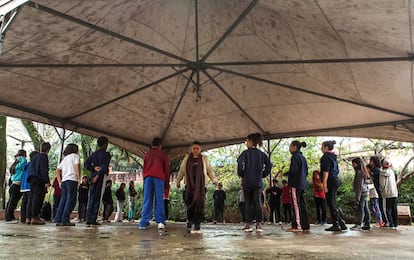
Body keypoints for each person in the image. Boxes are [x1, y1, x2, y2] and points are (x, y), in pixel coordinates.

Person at [177, 141, 218, 233]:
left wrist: (215, 181)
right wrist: (178, 181)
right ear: (192, 149)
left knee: (199, 204)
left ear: (200, 149)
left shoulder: (204, 159)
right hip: (189, 186)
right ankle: (190, 220)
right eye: (194, 148)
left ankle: (197, 222)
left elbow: (210, 171)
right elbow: (182, 170)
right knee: (190, 203)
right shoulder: (187, 158)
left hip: (201, 187)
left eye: (197, 148)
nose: (195, 150)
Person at [237, 133, 271, 233]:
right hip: (257, 182)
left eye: (247, 141)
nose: (246, 143)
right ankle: (259, 224)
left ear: (251, 142)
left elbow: (239, 164)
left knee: (248, 203)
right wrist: (263, 174)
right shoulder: (261, 154)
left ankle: (248, 224)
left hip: (247, 182)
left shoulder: (245, 153)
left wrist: (241, 174)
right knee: (258, 203)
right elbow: (269, 165)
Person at [139, 138, 170, 230]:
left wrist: (145, 178)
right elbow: (167, 170)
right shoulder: (162, 154)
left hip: (148, 177)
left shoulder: (147, 155)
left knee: (147, 199)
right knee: (159, 199)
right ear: (160, 145)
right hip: (159, 177)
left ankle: (143, 222)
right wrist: (166, 184)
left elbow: (144, 168)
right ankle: (160, 221)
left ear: (151, 145)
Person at [84, 136, 111, 227]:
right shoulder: (106, 155)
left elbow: (86, 164)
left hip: (92, 177)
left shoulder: (94, 154)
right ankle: (93, 218)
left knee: (91, 197)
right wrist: (98, 175)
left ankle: (88, 219)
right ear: (105, 144)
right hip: (100, 178)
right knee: (97, 198)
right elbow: (104, 167)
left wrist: (93, 168)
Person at [321, 140, 347, 232]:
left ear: (326, 147)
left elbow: (326, 170)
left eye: (322, 146)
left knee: (331, 203)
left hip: (330, 181)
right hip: (335, 180)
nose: (321, 148)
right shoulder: (334, 157)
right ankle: (341, 223)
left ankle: (336, 224)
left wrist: (324, 183)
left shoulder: (326, 157)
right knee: (333, 202)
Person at [54, 143, 81, 226]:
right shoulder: (75, 156)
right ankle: (65, 219)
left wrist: (59, 181)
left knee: (63, 200)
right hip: (72, 180)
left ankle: (58, 219)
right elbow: (77, 166)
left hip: (64, 180)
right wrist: (79, 178)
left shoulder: (65, 158)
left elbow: (58, 170)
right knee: (71, 200)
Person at [287, 141, 310, 232]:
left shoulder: (295, 157)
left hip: (295, 184)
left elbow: (293, 171)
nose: (289, 149)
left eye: (290, 147)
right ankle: (305, 225)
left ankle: (297, 225)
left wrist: (286, 174)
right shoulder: (303, 158)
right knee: (302, 204)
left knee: (295, 205)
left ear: (295, 147)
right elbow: (306, 172)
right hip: (302, 184)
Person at [28, 142, 51, 225]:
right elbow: (44, 170)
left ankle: (29, 217)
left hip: (32, 178)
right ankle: (34, 217)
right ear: (48, 149)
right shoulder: (44, 157)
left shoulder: (35, 156)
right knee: (37, 198)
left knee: (31, 198)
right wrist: (47, 181)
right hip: (39, 180)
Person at [5, 149, 27, 223]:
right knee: (12, 202)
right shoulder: (20, 165)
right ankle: (9, 217)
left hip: (15, 186)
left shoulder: (16, 165)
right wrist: (21, 157)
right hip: (16, 186)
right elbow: (24, 162)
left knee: (12, 202)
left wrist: (18, 158)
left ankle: (10, 216)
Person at [350, 157, 370, 231]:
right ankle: (367, 223)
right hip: (365, 192)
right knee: (365, 208)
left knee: (361, 208)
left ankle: (359, 224)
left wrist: (357, 198)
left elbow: (359, 186)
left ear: (357, 164)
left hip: (362, 193)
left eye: (354, 164)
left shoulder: (359, 173)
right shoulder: (364, 172)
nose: (353, 165)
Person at [380, 159, 398, 229]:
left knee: (387, 209)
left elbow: (382, 184)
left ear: (382, 165)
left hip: (387, 193)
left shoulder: (381, 173)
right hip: (394, 192)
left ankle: (390, 223)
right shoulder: (392, 172)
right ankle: (395, 223)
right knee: (394, 208)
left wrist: (381, 191)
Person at [21, 151, 38, 224]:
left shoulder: (27, 165)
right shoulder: (33, 165)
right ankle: (29, 217)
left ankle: (23, 218)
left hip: (23, 186)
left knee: (24, 202)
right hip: (29, 185)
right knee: (30, 202)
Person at [369, 156, 386, 223]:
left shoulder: (376, 170)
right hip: (376, 190)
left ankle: (382, 221)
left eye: (371, 161)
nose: (370, 162)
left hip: (378, 191)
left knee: (379, 206)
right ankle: (382, 221)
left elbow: (369, 176)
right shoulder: (375, 169)